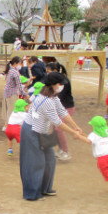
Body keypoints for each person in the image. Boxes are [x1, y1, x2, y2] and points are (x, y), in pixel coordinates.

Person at [19, 72, 82, 200]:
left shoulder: (53, 97)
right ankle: (32, 193)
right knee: (36, 162)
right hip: (31, 131)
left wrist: (76, 126)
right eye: (60, 84)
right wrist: (73, 133)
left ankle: (45, 188)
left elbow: (63, 112)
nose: (61, 86)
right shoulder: (45, 100)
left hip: (42, 131)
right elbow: (57, 122)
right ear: (53, 85)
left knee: (50, 159)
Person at [74, 116, 108, 210]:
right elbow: (91, 139)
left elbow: (89, 140)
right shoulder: (106, 132)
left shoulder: (94, 134)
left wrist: (78, 136)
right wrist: (83, 134)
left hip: (103, 160)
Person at [47, 62, 75, 161]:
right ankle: (61, 149)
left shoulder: (63, 82)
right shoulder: (56, 82)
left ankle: (66, 152)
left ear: (55, 71)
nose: (48, 74)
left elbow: (58, 97)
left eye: (49, 71)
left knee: (59, 128)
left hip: (67, 107)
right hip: (61, 108)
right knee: (55, 128)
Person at [2, 56, 29, 131]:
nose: (21, 65)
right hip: (12, 93)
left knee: (8, 109)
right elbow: (19, 86)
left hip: (7, 91)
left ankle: (6, 125)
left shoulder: (10, 70)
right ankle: (7, 126)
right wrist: (25, 94)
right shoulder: (15, 72)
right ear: (16, 63)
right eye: (20, 63)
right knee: (11, 109)